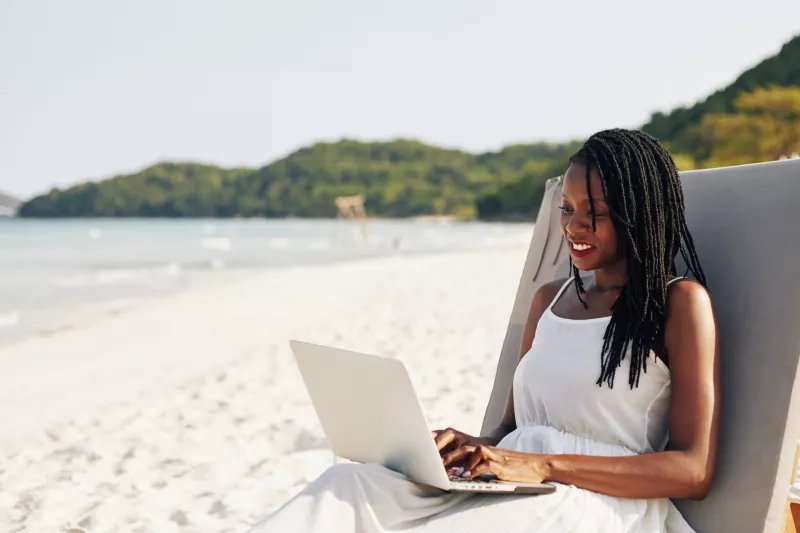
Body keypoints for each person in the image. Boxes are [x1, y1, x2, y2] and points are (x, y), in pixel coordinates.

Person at [248, 128, 720, 532]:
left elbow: (693, 469)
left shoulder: (678, 304)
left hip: (593, 501)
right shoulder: (549, 301)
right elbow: (512, 431)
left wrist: (544, 466)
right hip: (511, 483)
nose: (573, 226)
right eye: (566, 208)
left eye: (592, 212)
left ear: (636, 212)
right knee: (347, 485)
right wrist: (472, 448)